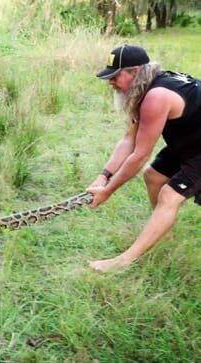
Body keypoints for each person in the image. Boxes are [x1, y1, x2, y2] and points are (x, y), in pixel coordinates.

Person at [87, 45, 201, 272]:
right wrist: (104, 176)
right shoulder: (146, 87)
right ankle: (163, 235)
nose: (111, 83)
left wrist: (108, 191)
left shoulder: (156, 96)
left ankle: (123, 262)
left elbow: (139, 155)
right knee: (154, 176)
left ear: (135, 71)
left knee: (170, 195)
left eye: (115, 76)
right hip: (192, 140)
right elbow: (129, 140)